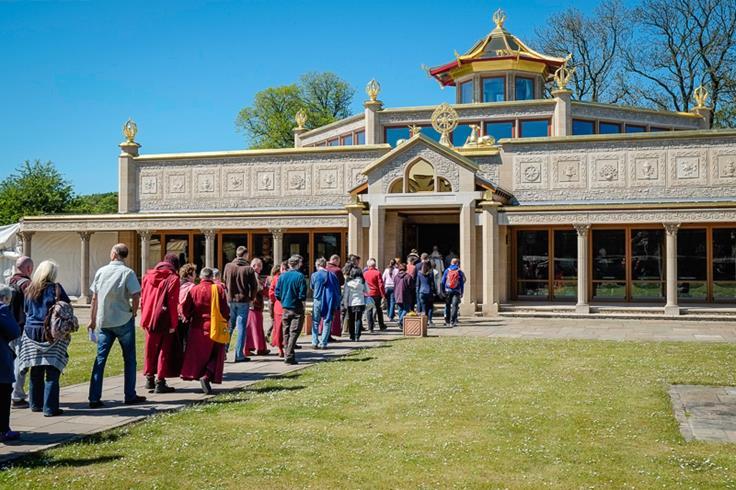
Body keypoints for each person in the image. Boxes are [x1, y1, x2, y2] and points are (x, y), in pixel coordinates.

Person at [88, 244, 146, 408]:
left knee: (100, 359)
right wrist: (133, 311)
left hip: (104, 320)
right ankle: (130, 394)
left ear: (114, 253)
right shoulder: (128, 272)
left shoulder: (101, 271)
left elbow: (94, 298)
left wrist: (92, 319)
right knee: (129, 359)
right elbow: (136, 294)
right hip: (122, 319)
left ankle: (94, 397)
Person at [18, 260, 72, 416]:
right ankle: (50, 408)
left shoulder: (30, 289)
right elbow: (67, 307)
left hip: (31, 331)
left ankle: (35, 404)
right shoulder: (56, 288)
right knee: (52, 370)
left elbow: (26, 309)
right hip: (51, 331)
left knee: (35, 368)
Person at [181, 267, 230, 394]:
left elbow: (186, 308)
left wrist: (188, 317)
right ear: (212, 277)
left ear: (201, 277)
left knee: (199, 355)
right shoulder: (218, 289)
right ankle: (207, 375)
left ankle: (198, 375)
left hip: (197, 327)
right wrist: (227, 320)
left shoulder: (194, 289)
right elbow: (225, 309)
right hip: (214, 327)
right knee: (216, 354)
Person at [140, 253, 181, 394]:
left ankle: (149, 378)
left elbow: (143, 299)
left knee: (150, 350)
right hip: (164, 319)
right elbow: (172, 302)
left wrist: (144, 317)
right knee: (164, 351)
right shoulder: (173, 278)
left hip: (148, 317)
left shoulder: (147, 277)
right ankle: (160, 381)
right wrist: (173, 324)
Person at [222, 246, 259, 363]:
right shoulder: (248, 269)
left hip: (230, 300)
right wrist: (252, 298)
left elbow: (224, 281)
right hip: (243, 300)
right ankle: (239, 354)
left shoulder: (228, 266)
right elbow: (254, 286)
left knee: (230, 326)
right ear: (245, 255)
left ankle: (223, 351)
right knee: (241, 327)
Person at [8, 256, 32, 409]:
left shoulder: (8, 282)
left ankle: (10, 394)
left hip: (8, 327)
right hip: (21, 328)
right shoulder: (27, 285)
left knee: (10, 362)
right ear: (29, 269)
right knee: (20, 363)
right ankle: (17, 397)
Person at [274, 255, 307, 365]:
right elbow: (302, 294)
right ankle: (289, 355)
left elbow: (277, 293)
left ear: (289, 264)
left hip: (285, 307)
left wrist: (283, 301)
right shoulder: (300, 276)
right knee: (294, 332)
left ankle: (288, 354)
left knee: (286, 332)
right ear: (298, 264)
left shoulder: (282, 276)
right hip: (296, 307)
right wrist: (302, 303)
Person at [0, 284, 21, 441]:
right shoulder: (2, 309)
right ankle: (4, 430)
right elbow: (14, 331)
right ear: (5, 298)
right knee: (3, 394)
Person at [310, 257, 340, 349]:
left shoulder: (314, 275)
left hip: (317, 299)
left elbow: (312, 287)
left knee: (315, 321)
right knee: (327, 320)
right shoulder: (332, 275)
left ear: (318, 265)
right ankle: (323, 343)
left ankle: (314, 341)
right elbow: (337, 289)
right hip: (328, 300)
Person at [244, 258, 269, 356]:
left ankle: (257, 348)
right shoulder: (253, 274)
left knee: (254, 327)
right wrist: (265, 288)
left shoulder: (251, 274)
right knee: (254, 327)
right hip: (254, 304)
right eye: (260, 266)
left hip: (253, 304)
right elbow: (258, 288)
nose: (261, 268)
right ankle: (258, 348)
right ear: (254, 266)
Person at [344, 268, 369, 341]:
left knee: (351, 319)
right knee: (358, 319)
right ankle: (357, 335)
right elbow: (367, 291)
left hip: (351, 303)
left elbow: (346, 294)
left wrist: (345, 303)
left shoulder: (348, 282)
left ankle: (352, 335)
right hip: (360, 302)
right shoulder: (363, 281)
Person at [268, 262, 286, 357]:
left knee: (279, 328)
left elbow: (271, 293)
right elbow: (271, 292)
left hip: (280, 306)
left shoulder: (277, 278)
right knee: (282, 329)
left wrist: (275, 300)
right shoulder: (277, 278)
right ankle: (283, 348)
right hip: (284, 306)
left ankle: (281, 349)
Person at [441, 258, 466, 328]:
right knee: (455, 306)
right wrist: (462, 292)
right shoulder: (459, 271)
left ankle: (447, 321)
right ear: (457, 263)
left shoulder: (447, 270)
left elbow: (443, 281)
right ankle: (453, 321)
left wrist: (443, 290)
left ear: (451, 263)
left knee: (448, 305)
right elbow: (462, 283)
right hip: (456, 291)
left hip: (448, 290)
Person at [363, 258, 386, 332]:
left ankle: (370, 327)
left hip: (368, 294)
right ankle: (381, 326)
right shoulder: (377, 273)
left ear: (368, 266)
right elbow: (381, 285)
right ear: (374, 265)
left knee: (369, 310)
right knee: (379, 310)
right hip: (376, 293)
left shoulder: (365, 274)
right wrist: (383, 295)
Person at [325, 255, 344, 338]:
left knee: (325, 314)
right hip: (334, 294)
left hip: (324, 294)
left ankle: (325, 333)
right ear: (335, 260)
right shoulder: (337, 270)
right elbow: (342, 282)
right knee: (334, 314)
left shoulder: (324, 269)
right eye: (338, 261)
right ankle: (330, 333)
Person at [393, 263, 415, 328]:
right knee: (406, 309)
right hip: (406, 295)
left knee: (400, 309)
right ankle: (400, 321)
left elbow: (394, 285)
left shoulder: (396, 277)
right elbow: (411, 286)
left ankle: (401, 324)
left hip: (397, 294)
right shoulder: (408, 276)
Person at [416, 260, 437, 325]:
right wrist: (434, 291)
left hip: (421, 292)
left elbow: (418, 284)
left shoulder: (419, 273)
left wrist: (417, 293)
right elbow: (432, 283)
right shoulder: (431, 273)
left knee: (423, 307)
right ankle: (429, 320)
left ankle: (424, 321)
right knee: (430, 307)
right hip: (429, 291)